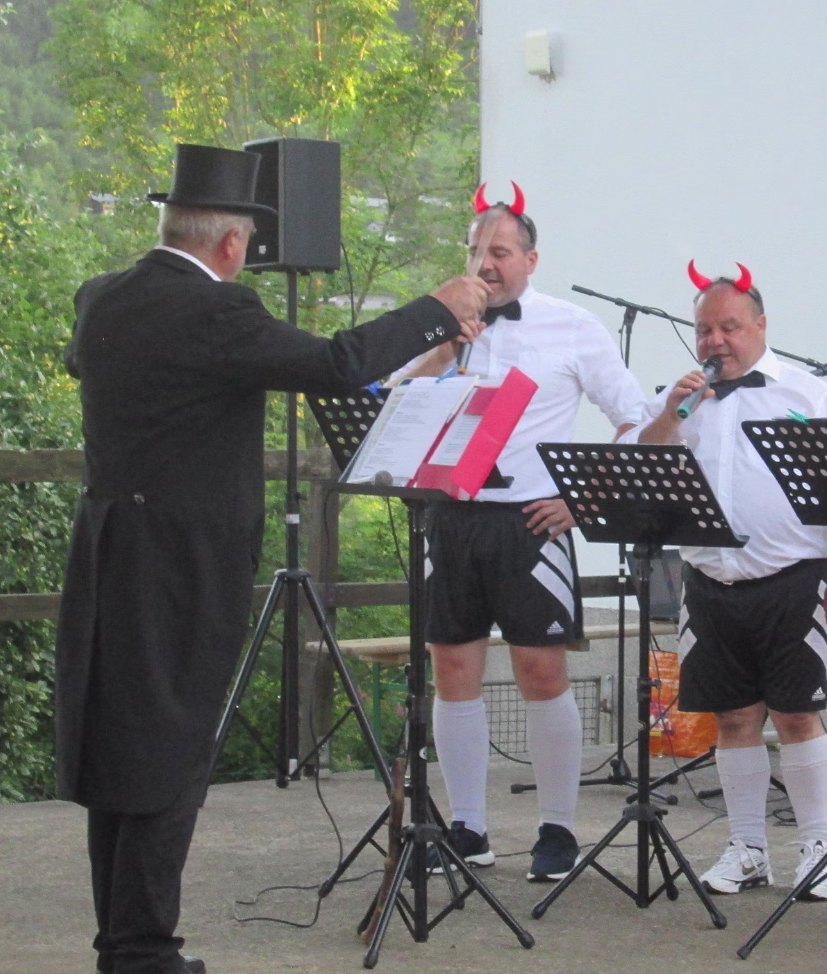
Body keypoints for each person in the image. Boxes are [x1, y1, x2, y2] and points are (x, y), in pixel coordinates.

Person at [55, 143, 487, 974]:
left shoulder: (101, 297)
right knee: (168, 753)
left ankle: (123, 942)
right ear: (231, 242)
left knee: (120, 752)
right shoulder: (218, 313)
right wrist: (436, 309)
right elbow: (338, 364)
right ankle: (143, 952)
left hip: (107, 553)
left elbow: (103, 365)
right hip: (178, 565)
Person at [390, 183, 649, 882]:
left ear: (531, 260)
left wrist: (584, 497)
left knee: (541, 671)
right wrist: (442, 349)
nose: (486, 264)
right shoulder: (440, 322)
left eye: (500, 252)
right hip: (450, 513)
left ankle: (557, 828)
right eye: (476, 250)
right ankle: (468, 829)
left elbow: (635, 416)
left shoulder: (573, 326)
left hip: (531, 519)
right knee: (453, 671)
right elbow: (395, 404)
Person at [631, 261, 827, 901]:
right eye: (705, 329)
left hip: (793, 576)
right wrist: (670, 415)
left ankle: (818, 849)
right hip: (709, 580)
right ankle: (748, 848)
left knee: (798, 714)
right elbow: (642, 466)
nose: (716, 340)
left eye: (729, 327)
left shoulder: (810, 395)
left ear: (761, 326)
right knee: (732, 717)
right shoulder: (684, 400)